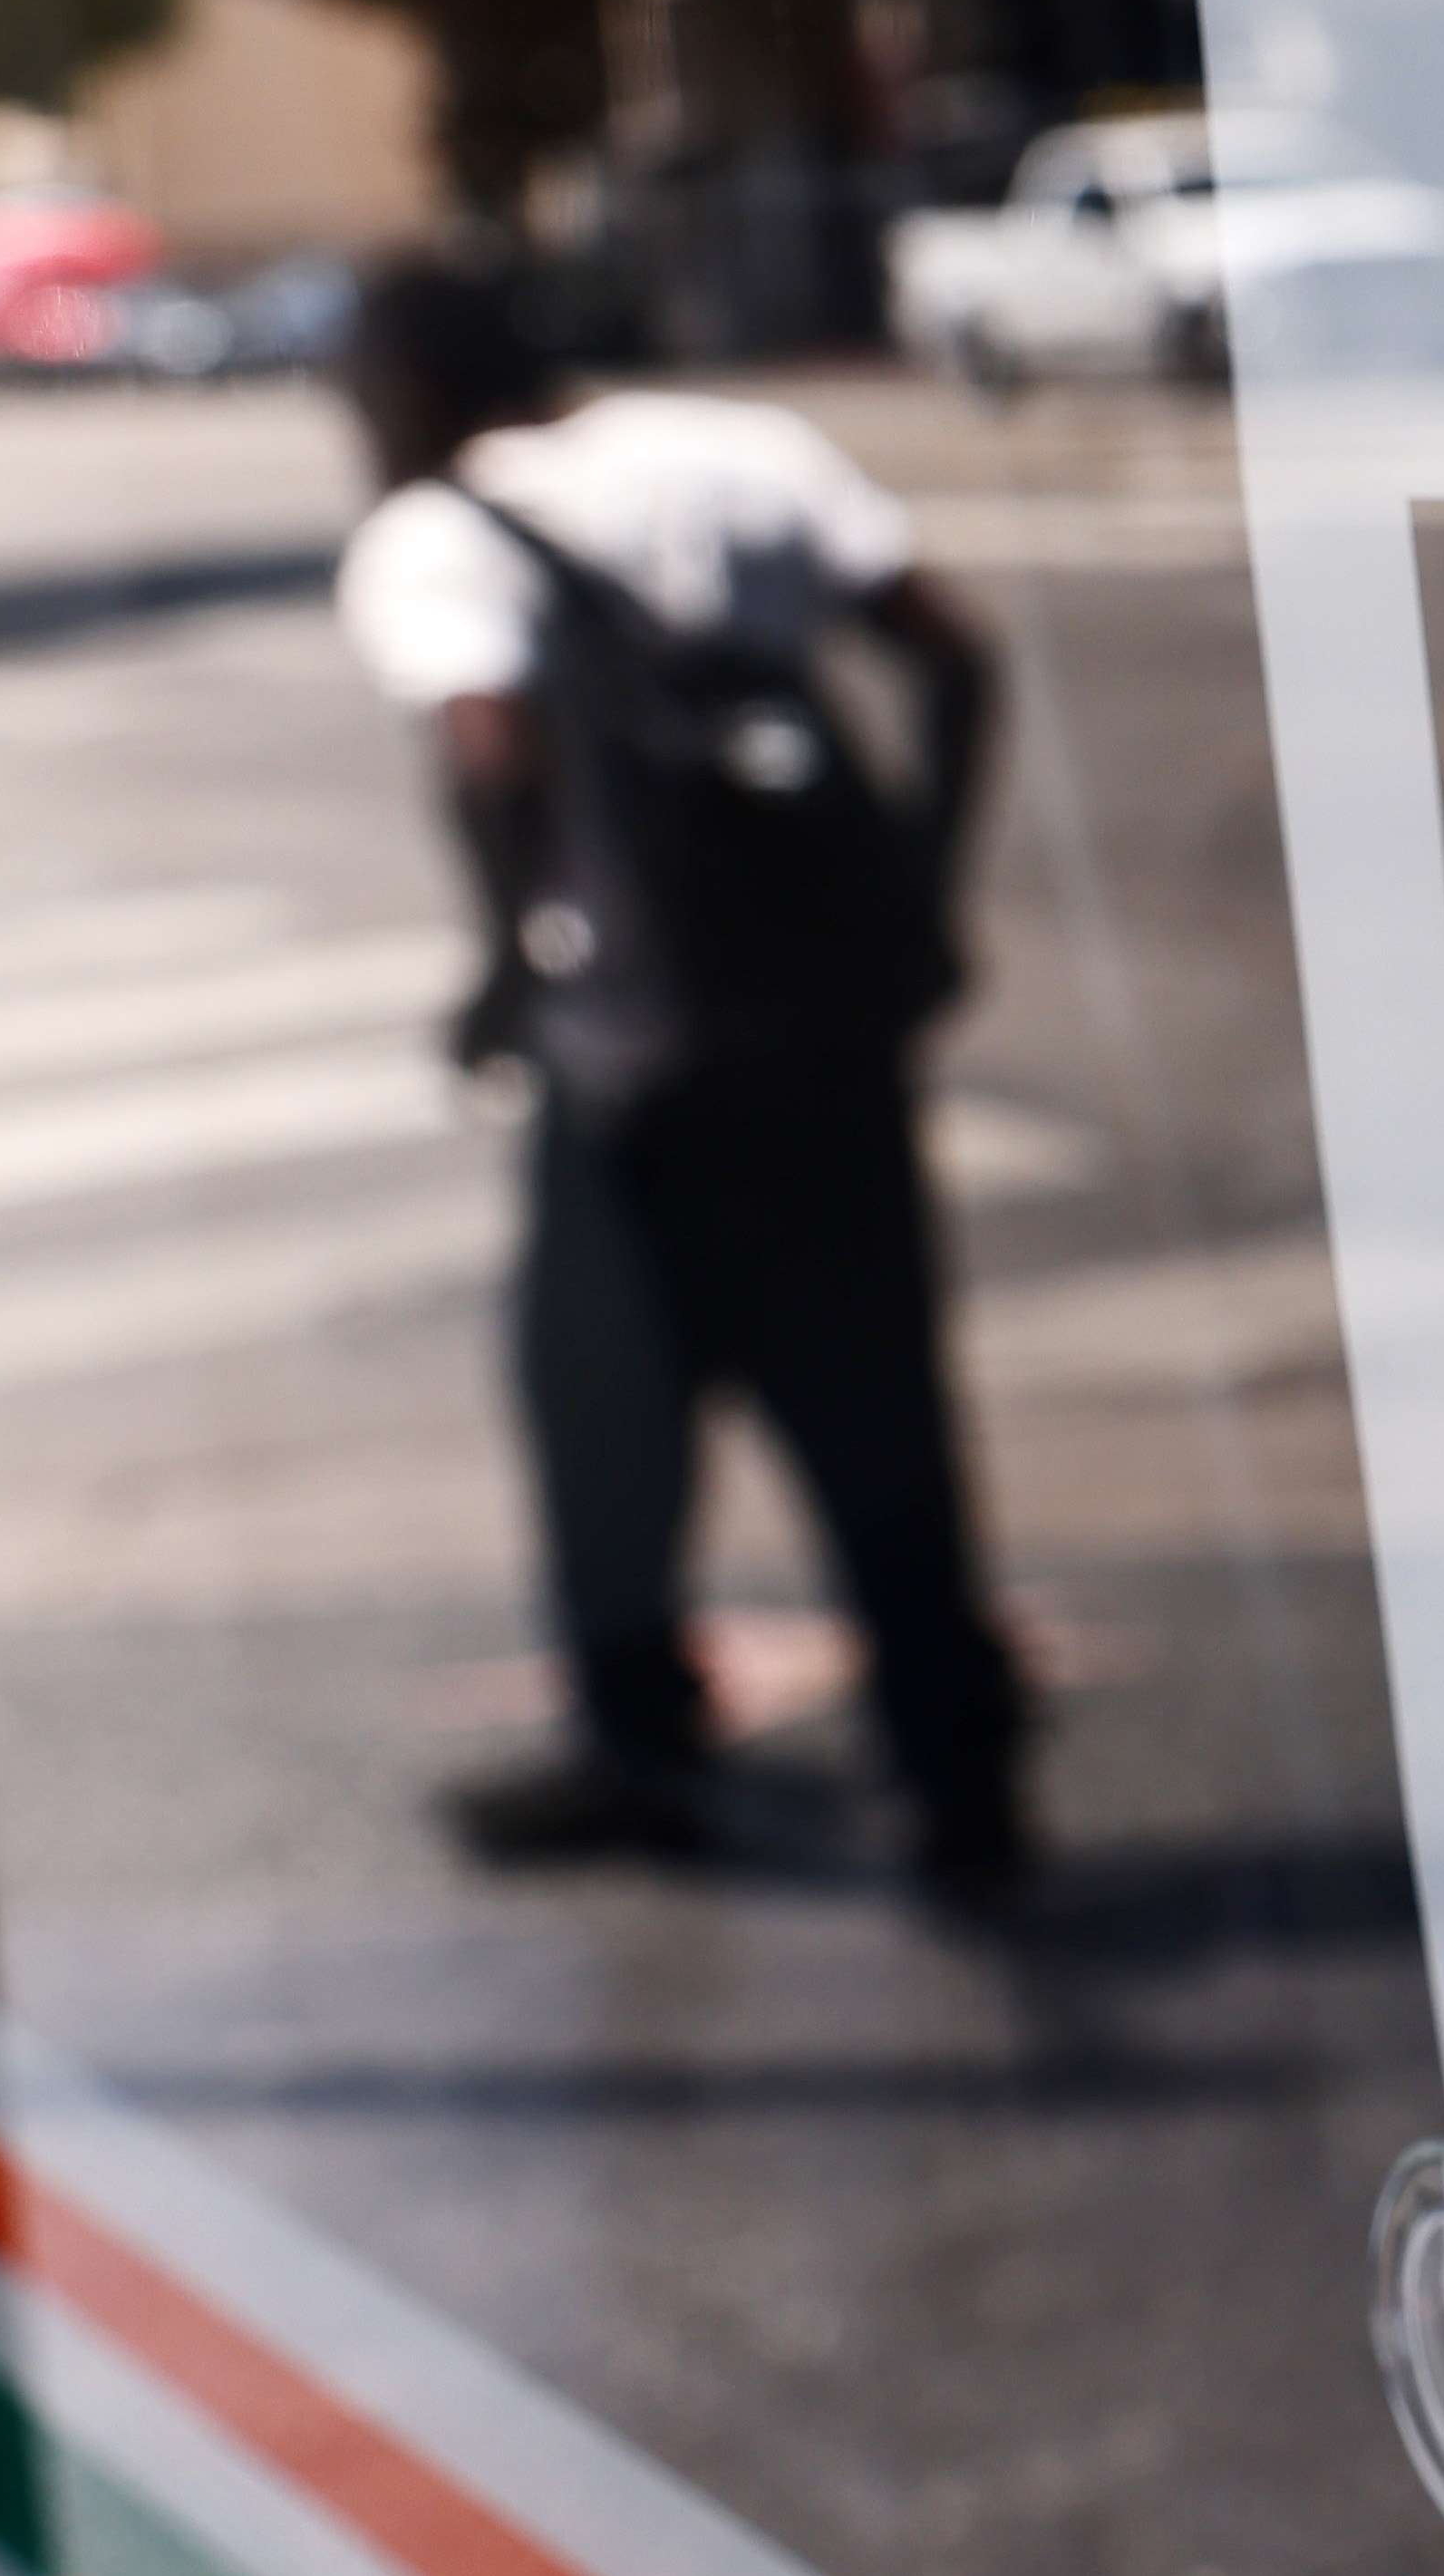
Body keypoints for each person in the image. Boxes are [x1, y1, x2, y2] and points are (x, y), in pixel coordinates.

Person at [329, 248, 1034, 1909]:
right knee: (880, 1401)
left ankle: (640, 1735)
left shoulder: (439, 534)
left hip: (639, 1053)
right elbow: (955, 655)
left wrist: (511, 962)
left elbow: (491, 750)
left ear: (410, 389)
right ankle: (958, 1767)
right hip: (828, 1033)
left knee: (603, 1393)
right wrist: (923, 898)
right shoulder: (740, 452)